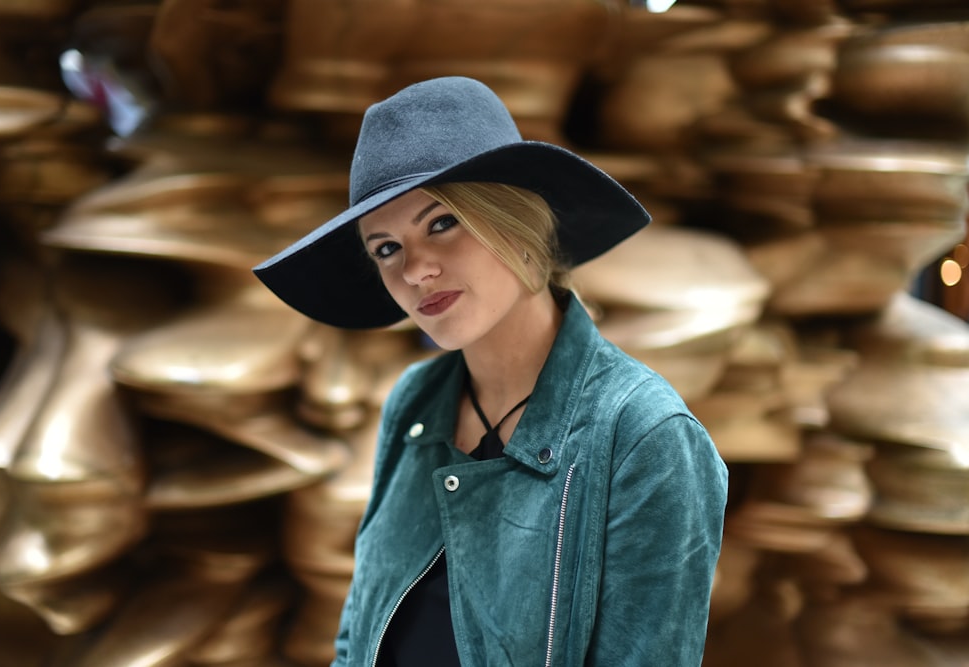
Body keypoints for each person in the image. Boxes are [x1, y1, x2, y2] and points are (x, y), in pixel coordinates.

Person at [254, 76, 728, 666]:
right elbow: (357, 635)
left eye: (441, 223)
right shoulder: (415, 403)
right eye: (385, 248)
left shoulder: (643, 436)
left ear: (520, 227)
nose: (415, 271)